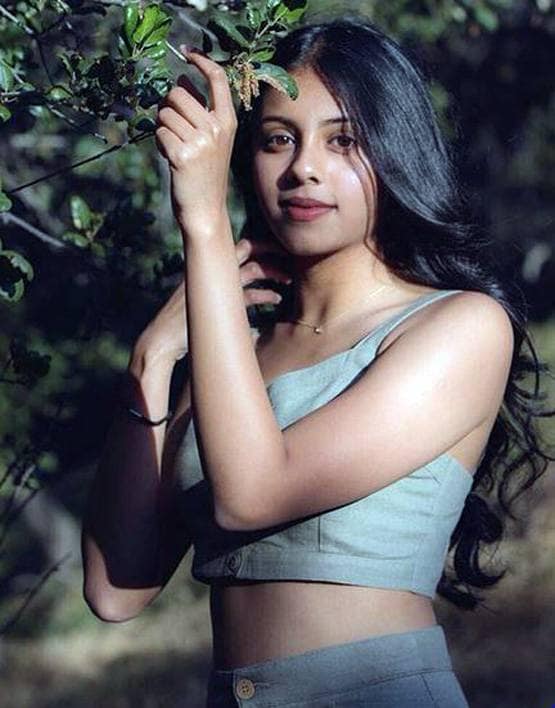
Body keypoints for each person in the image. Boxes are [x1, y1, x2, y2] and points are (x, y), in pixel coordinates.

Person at [81, 17, 555, 708]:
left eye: (343, 140)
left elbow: (251, 494)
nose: (303, 167)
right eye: (278, 139)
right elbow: (115, 590)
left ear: (395, 151)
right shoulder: (239, 353)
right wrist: (152, 360)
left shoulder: (459, 326)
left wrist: (205, 224)